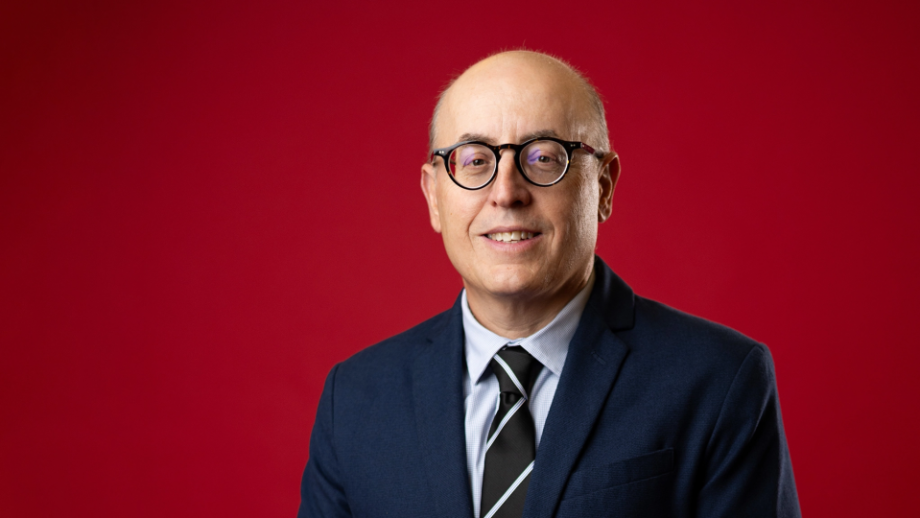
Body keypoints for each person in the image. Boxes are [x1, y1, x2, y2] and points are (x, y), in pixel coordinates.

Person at [298, 50, 800, 518]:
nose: (506, 193)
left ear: (603, 186)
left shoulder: (719, 379)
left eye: (543, 157)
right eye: (474, 159)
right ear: (433, 196)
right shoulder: (355, 400)